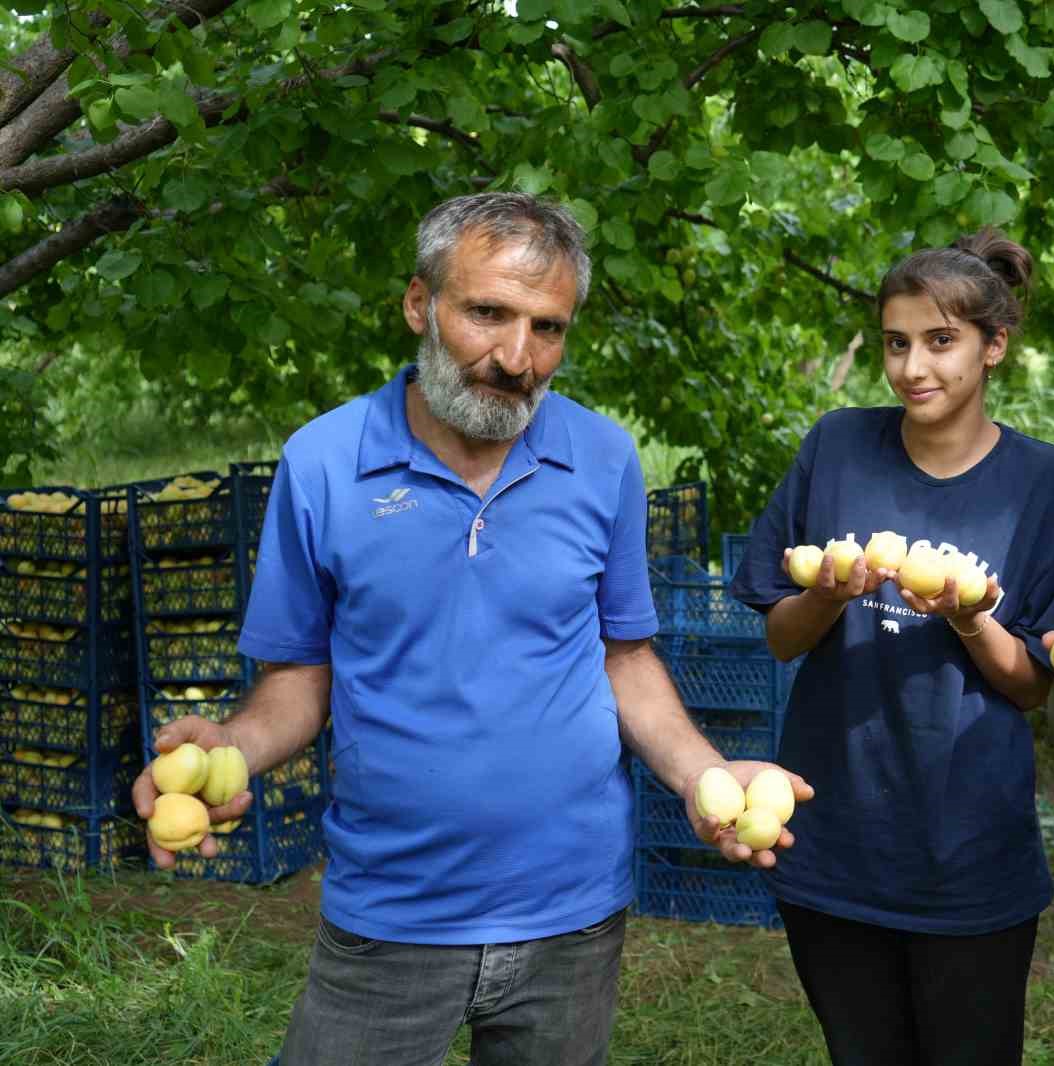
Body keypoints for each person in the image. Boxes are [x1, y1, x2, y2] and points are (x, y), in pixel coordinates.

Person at [129, 192, 812, 1066]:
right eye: (487, 313)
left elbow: (625, 659)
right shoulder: (325, 465)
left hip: (573, 914)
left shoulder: (602, 459)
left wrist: (703, 774)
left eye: (548, 327)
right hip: (392, 911)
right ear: (421, 304)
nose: (516, 357)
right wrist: (228, 746)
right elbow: (300, 677)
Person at [729, 230, 1054, 1066]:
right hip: (834, 844)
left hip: (968, 851)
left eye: (940, 342)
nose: (913, 368)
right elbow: (783, 640)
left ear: (993, 346)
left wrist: (968, 615)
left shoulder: (1042, 480)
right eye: (897, 343)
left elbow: (1032, 687)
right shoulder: (837, 446)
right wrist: (826, 593)